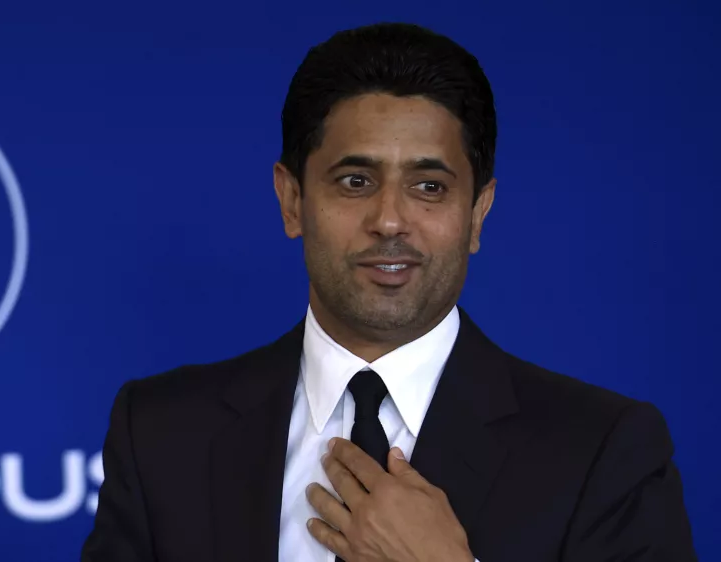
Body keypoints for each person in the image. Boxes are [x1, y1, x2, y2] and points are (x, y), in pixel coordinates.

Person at [80, 22, 697, 562]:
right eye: (355, 180)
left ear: (478, 214)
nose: (391, 220)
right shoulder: (160, 433)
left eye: (429, 187)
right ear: (292, 199)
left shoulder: (602, 450)